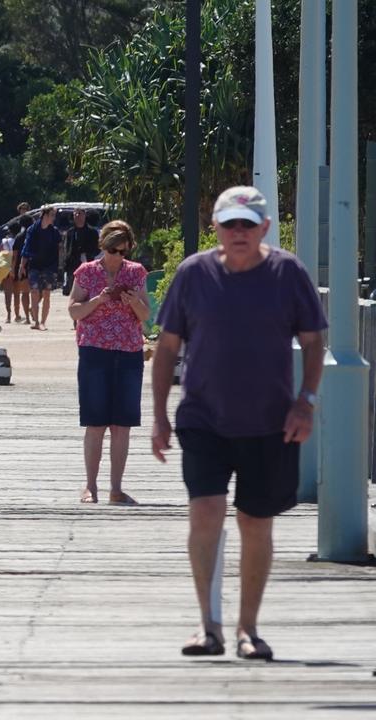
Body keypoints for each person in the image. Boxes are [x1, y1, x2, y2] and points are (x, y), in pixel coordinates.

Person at [151, 186, 325, 661]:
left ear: (265, 227)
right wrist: (160, 415)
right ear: (217, 229)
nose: (239, 232)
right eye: (231, 224)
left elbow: (313, 341)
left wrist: (306, 401)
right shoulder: (193, 274)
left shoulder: (287, 273)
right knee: (205, 512)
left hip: (271, 422)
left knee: (255, 522)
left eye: (248, 223)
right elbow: (166, 350)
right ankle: (209, 626)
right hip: (204, 418)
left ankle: (248, 628)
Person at [68, 221, 149, 505]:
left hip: (128, 352)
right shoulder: (87, 272)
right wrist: (99, 300)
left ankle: (116, 488)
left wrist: (132, 302)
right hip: (94, 351)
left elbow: (145, 315)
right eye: (112, 250)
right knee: (95, 423)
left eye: (122, 251)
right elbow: (74, 311)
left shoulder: (136, 272)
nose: (116, 256)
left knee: (122, 424)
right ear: (102, 246)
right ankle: (90, 486)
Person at [19, 206, 62, 331]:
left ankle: (43, 322)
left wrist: (59, 267)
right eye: (52, 215)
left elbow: (59, 250)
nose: (54, 217)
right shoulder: (32, 230)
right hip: (34, 265)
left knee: (47, 293)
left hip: (50, 265)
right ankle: (36, 322)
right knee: (34, 291)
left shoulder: (54, 232)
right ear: (45, 215)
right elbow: (26, 248)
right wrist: (22, 265)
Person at [63, 208, 100, 296]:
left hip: (87, 264)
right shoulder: (70, 232)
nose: (77, 216)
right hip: (72, 266)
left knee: (87, 291)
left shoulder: (92, 232)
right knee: (73, 292)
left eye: (79, 213)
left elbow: (97, 248)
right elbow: (67, 248)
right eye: (75, 214)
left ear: (84, 216)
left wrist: (87, 254)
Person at [11, 220, 33, 324]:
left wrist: (13, 269)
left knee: (24, 293)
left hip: (22, 266)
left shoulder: (19, 237)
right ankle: (33, 309)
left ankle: (27, 317)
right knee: (38, 291)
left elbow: (15, 255)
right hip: (35, 266)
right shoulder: (36, 236)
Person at [0, 221, 21, 324]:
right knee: (17, 293)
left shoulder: (4, 242)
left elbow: (0, 255)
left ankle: (8, 315)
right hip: (18, 268)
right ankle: (17, 314)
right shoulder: (21, 240)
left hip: (7, 268)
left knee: (8, 294)